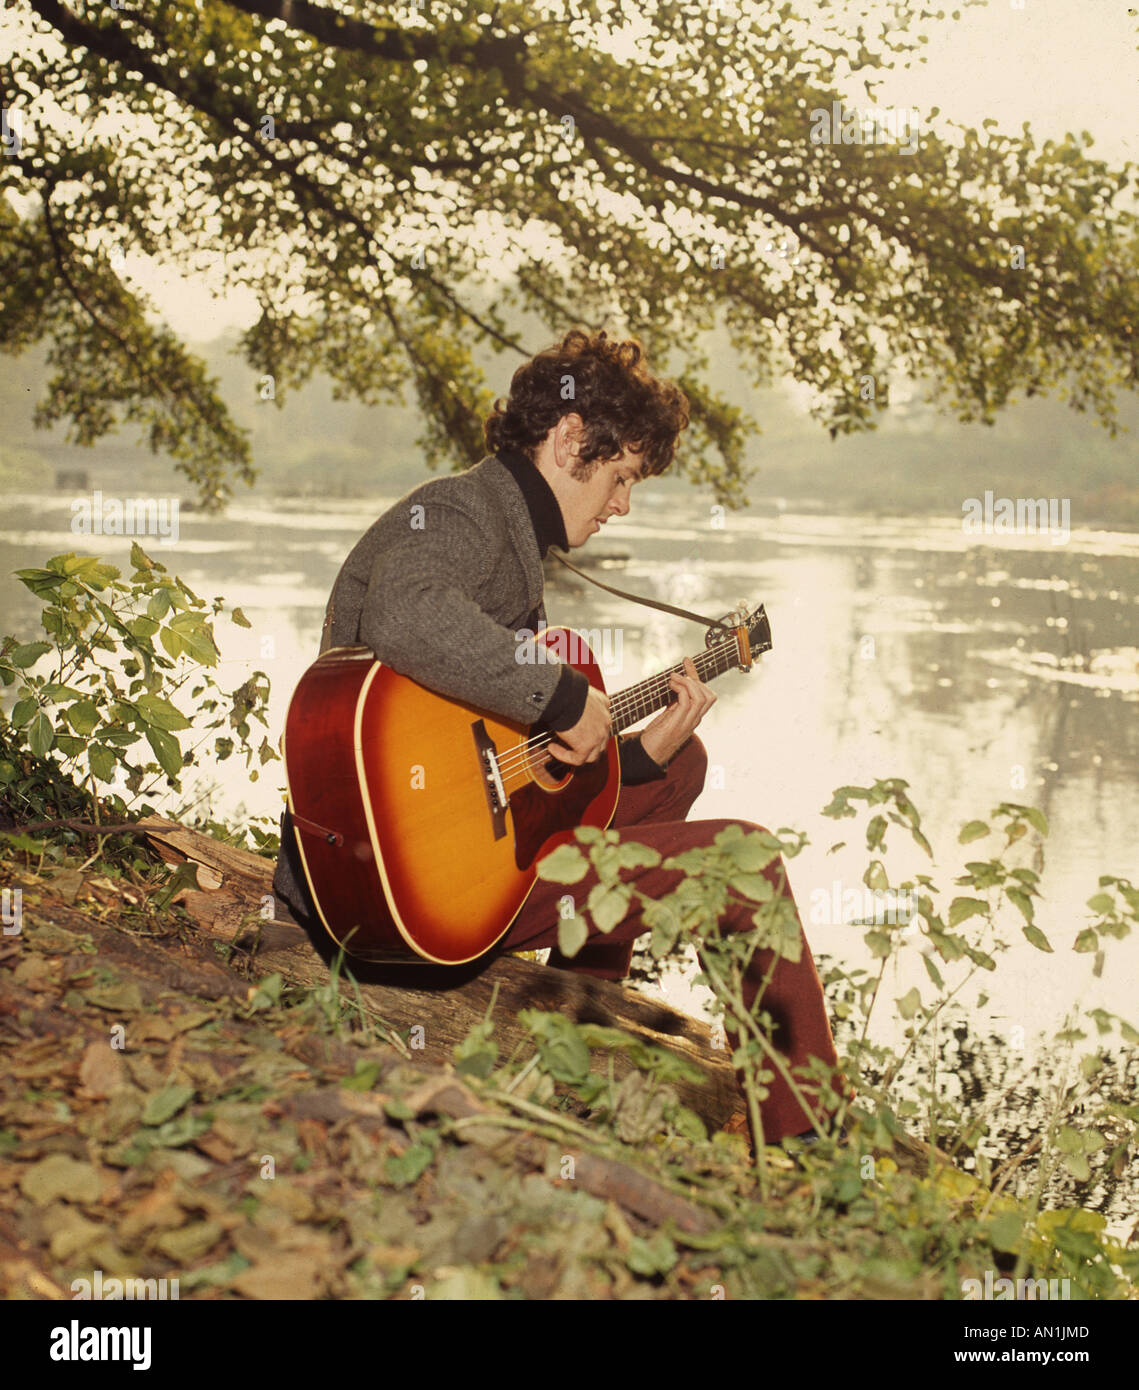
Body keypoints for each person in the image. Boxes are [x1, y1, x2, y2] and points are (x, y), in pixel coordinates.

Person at [273, 328, 841, 1145]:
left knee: (678, 768)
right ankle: (803, 1141)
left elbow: (499, 755)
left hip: (421, 861)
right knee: (746, 860)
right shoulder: (465, 512)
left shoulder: (505, 529)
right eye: (621, 478)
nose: (621, 505)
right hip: (406, 886)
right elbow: (407, 611)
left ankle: (578, 1027)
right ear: (571, 438)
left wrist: (636, 753)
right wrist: (559, 690)